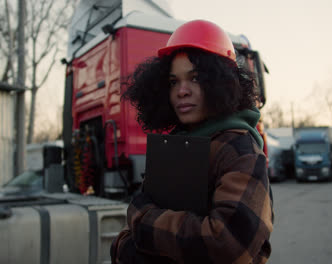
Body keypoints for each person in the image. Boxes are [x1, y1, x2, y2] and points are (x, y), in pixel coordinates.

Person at [111, 19, 274, 264]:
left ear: (221, 82)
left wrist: (144, 225)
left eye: (195, 78)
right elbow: (125, 239)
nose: (182, 91)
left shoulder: (240, 149)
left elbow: (229, 243)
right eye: (173, 81)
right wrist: (128, 246)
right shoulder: (176, 144)